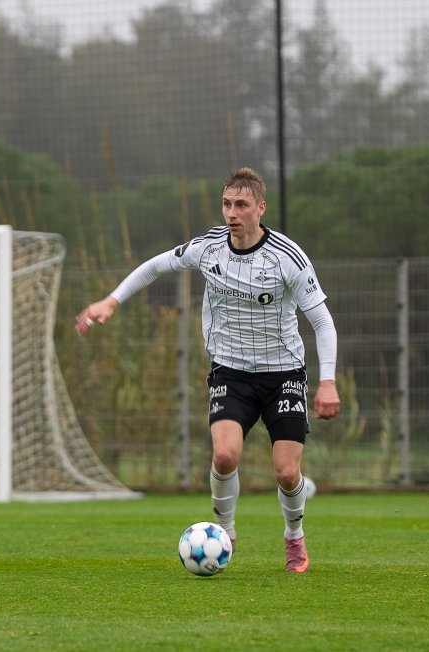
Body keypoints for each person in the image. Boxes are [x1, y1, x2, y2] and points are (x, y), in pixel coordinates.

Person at [76, 167, 341, 573]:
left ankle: (294, 535)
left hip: (284, 373)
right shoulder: (209, 248)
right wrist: (111, 301)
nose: (232, 213)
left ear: (261, 208)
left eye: (241, 205)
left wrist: (328, 382)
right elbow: (154, 266)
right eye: (226, 204)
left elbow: (322, 322)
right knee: (224, 455)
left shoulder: (287, 257)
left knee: (287, 473)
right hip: (230, 371)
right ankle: (225, 532)